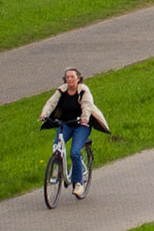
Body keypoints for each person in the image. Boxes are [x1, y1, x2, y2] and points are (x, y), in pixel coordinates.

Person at [40, 68, 106, 198]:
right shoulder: (62, 90)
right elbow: (51, 103)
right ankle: (56, 169)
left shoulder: (83, 90)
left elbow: (87, 104)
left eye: (72, 77)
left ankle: (78, 183)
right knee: (56, 146)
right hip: (66, 124)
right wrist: (44, 114)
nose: (70, 79)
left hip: (81, 126)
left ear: (78, 78)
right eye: (67, 77)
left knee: (74, 152)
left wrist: (85, 117)